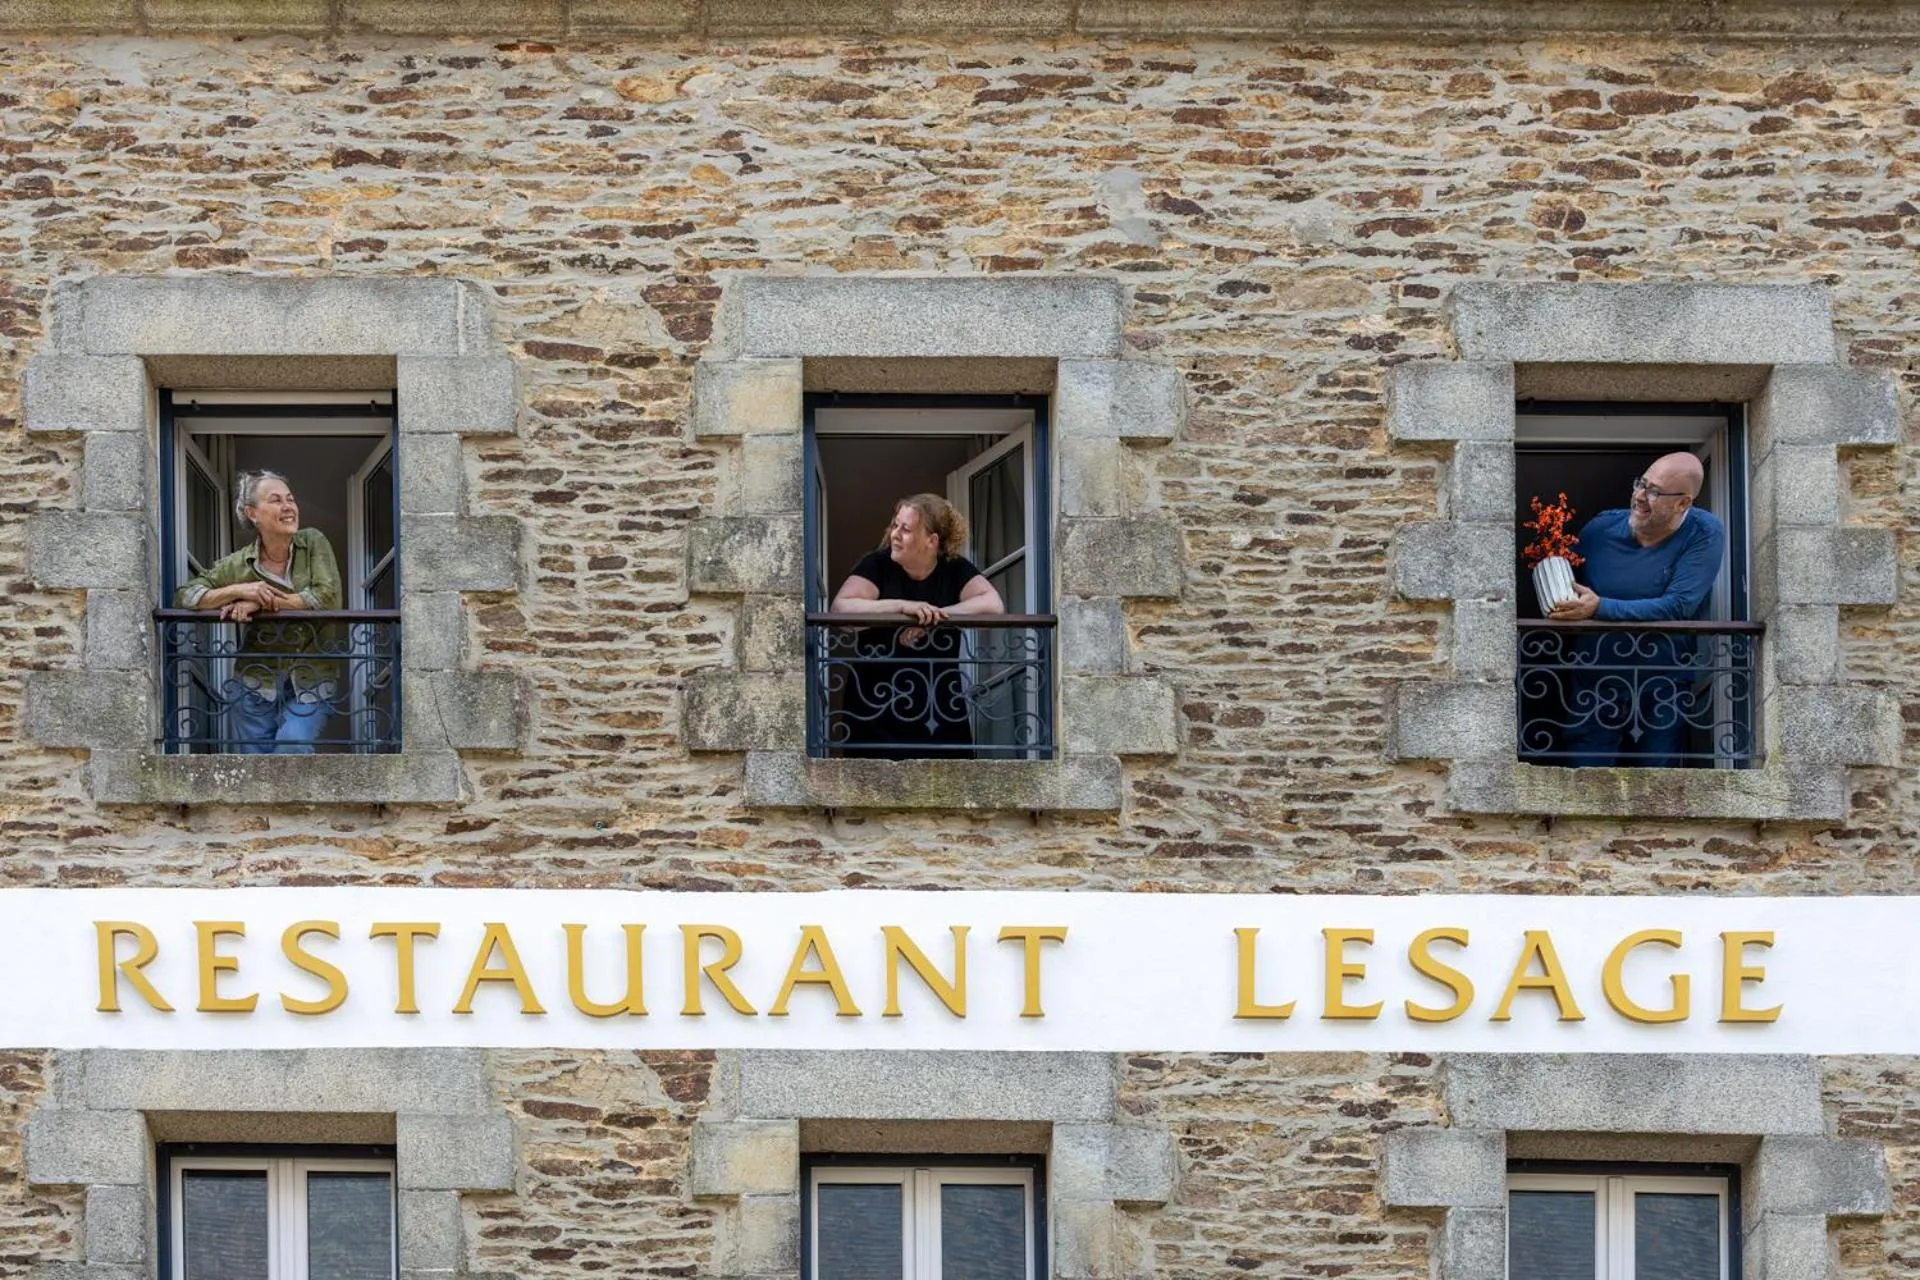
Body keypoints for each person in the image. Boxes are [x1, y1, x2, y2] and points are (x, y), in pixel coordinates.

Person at [1546, 452, 1726, 767]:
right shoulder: (1599, 530)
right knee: (1585, 783)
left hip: (1663, 685)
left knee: (1657, 786)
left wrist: (1600, 607)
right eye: (1641, 484)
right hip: (1594, 681)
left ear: (1683, 503)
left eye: (1654, 492)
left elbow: (1680, 605)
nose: (1640, 496)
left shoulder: (1704, 531)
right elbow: (1559, 575)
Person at [175, 470, 344, 753]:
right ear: (253, 513)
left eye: (290, 499)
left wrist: (261, 603)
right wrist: (241, 591)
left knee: (293, 746)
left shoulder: (313, 541)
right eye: (276, 500)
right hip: (254, 682)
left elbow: (325, 596)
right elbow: (186, 596)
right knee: (256, 771)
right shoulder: (238, 564)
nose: (288, 506)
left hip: (312, 678)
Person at [827, 494, 1006, 758]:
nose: (894, 534)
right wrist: (902, 606)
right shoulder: (877, 564)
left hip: (939, 710)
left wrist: (935, 617)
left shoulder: (953, 568)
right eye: (895, 524)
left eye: (906, 529)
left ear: (931, 541)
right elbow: (840, 609)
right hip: (875, 708)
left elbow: (993, 605)